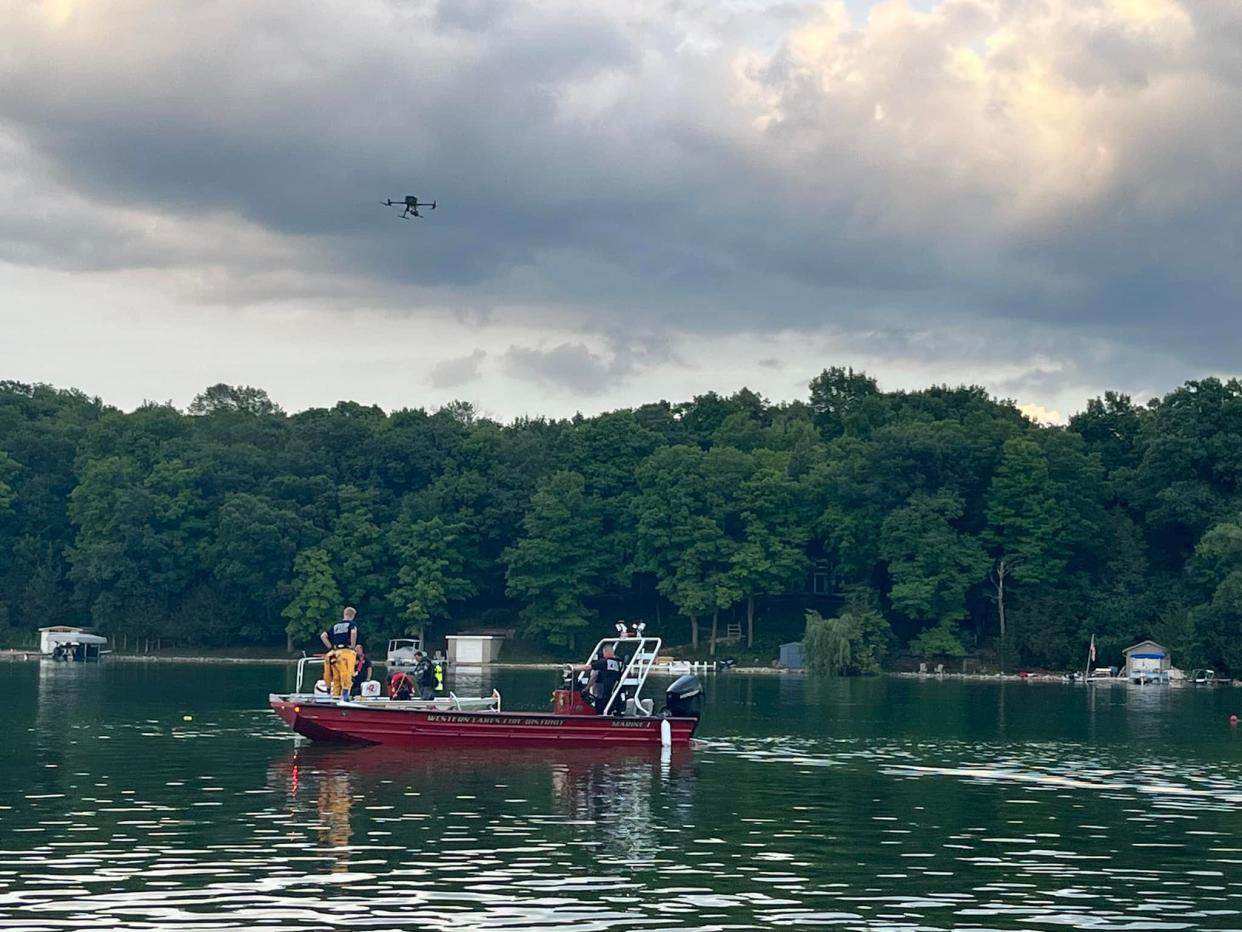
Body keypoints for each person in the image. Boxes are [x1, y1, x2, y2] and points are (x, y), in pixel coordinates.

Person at [319, 607, 358, 699]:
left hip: (335, 653)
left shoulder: (335, 625)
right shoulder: (352, 624)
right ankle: (345, 695)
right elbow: (353, 633)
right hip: (346, 652)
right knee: (347, 674)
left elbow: (323, 636)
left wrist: (330, 647)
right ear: (352, 615)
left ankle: (332, 695)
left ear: (344, 614)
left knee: (336, 677)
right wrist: (352, 646)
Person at [585, 643, 624, 715]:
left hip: (605, 691)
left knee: (601, 706)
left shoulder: (604, 662)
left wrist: (586, 688)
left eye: (604, 653)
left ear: (606, 652)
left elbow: (592, 672)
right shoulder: (620, 662)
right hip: (616, 690)